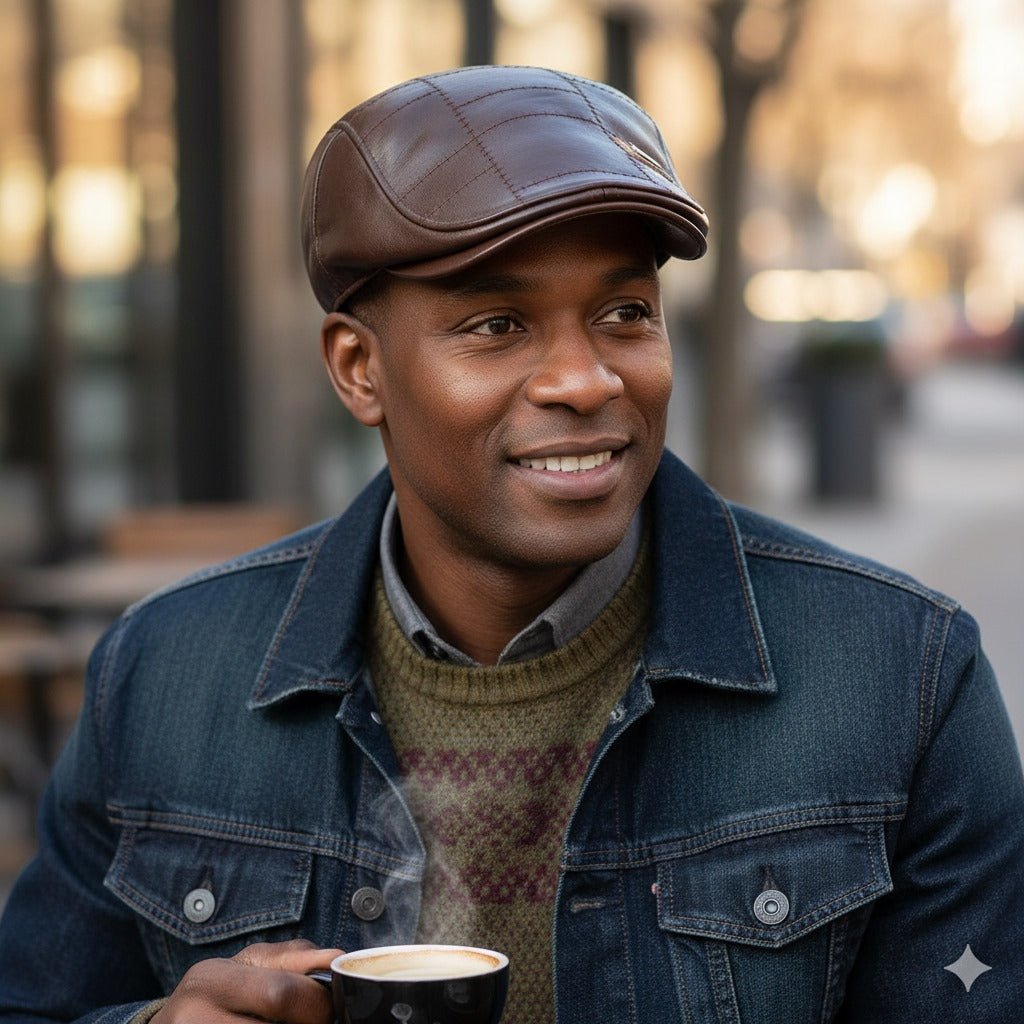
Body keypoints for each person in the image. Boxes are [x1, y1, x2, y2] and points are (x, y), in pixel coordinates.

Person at [1, 64, 1022, 1024]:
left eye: (625, 311)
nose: (585, 379)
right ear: (359, 370)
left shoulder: (899, 677)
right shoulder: (164, 676)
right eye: (496, 324)